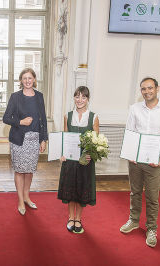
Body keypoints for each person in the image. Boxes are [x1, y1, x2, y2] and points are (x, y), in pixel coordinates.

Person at [119, 77, 160, 248]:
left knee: (152, 197)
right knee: (134, 192)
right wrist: (130, 152)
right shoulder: (134, 108)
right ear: (141, 91)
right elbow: (130, 131)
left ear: (157, 88)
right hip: (135, 160)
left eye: (150, 88)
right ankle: (134, 220)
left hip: (155, 162)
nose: (147, 91)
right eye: (143, 89)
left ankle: (151, 228)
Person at [3, 68, 48, 215]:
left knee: (29, 171)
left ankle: (27, 197)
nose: (27, 81)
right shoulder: (15, 97)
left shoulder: (39, 96)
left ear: (34, 79)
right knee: (19, 170)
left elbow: (43, 119)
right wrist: (21, 122)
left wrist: (44, 139)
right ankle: (20, 200)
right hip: (19, 140)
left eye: (30, 78)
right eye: (24, 78)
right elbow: (6, 118)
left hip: (35, 140)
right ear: (21, 81)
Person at [57, 86, 99, 233]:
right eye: (77, 97)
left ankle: (78, 218)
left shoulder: (93, 117)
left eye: (83, 97)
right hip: (70, 159)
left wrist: (90, 155)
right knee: (70, 189)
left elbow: (96, 142)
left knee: (81, 189)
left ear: (88, 100)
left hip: (85, 160)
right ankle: (70, 217)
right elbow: (65, 137)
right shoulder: (67, 116)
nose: (80, 100)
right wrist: (62, 153)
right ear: (74, 98)